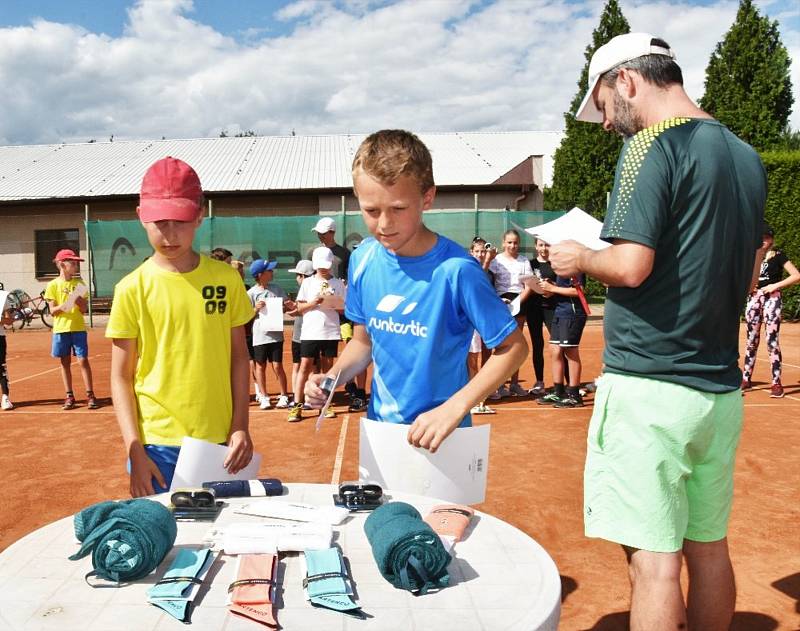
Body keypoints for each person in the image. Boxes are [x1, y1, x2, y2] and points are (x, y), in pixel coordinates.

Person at [549, 33, 766, 630]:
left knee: (654, 565)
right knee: (709, 549)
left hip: (649, 387)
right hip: (718, 393)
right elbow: (746, 273)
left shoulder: (649, 143)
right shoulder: (745, 155)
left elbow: (630, 264)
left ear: (627, 80)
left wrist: (577, 257)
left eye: (602, 105)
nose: (603, 125)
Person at [305, 129, 528, 453]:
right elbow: (363, 342)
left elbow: (514, 347)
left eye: (397, 208)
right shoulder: (364, 259)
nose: (383, 223)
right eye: (370, 210)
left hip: (443, 440)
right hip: (380, 436)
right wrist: (332, 378)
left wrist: (455, 408)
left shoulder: (458, 270)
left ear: (427, 197)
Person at [107, 156, 254, 496]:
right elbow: (121, 376)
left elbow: (239, 357)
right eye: (159, 221)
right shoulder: (132, 288)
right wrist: (134, 448)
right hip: (155, 445)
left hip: (219, 441)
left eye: (181, 220)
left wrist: (240, 427)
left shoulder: (226, 279)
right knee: (164, 538)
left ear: (200, 215)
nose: (169, 233)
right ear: (141, 215)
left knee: (219, 538)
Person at [287, 246, 346, 422]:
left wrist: (333, 303)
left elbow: (343, 309)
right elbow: (299, 308)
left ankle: (325, 404)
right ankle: (297, 405)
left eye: (326, 265)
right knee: (305, 366)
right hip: (310, 332)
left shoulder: (338, 284)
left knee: (328, 369)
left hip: (330, 332)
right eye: (321, 265)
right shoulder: (307, 283)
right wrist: (314, 302)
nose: (324, 268)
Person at [741, 224, 800, 398]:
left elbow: (796, 275)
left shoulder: (779, 256)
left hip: (772, 299)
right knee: (751, 340)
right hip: (754, 299)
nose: (763, 240)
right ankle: (746, 379)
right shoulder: (750, 256)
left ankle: (776, 382)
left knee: (771, 341)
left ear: (772, 239)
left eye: (766, 237)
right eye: (761, 237)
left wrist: (775, 285)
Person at [44, 249, 98, 410]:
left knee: (83, 361)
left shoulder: (80, 284)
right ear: (62, 264)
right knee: (65, 362)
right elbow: (52, 311)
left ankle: (90, 395)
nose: (75, 266)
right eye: (72, 263)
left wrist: (78, 299)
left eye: (76, 263)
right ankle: (69, 395)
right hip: (61, 330)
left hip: (78, 328)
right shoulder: (52, 285)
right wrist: (66, 303)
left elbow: (83, 310)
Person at [488, 229, 533, 399]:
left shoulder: (524, 261)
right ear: (503, 243)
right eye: (509, 242)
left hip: (520, 302)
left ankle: (514, 384)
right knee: (500, 345)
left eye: (515, 242)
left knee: (517, 345)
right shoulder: (496, 261)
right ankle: (498, 385)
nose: (512, 245)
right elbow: (489, 282)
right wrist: (500, 302)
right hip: (500, 302)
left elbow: (528, 286)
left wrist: (517, 303)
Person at [535, 271, 587, 408]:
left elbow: (579, 291)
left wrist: (552, 288)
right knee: (554, 350)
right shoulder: (560, 269)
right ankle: (558, 392)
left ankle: (574, 395)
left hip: (572, 313)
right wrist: (549, 288)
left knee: (570, 352)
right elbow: (560, 290)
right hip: (560, 311)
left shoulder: (574, 267)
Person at [247, 259, 294, 410]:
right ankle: (265, 396)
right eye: (269, 270)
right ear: (260, 274)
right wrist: (255, 309)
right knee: (259, 366)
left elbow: (286, 308)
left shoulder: (277, 289)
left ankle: (284, 395)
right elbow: (246, 316)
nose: (272, 272)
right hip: (260, 335)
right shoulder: (251, 293)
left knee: (277, 365)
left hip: (275, 334)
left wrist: (286, 306)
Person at [467, 237, 496, 415]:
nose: (480, 254)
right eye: (477, 251)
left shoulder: (489, 271)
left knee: (474, 359)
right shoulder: (469, 267)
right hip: (466, 322)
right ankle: (473, 399)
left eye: (482, 251)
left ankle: (475, 399)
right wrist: (486, 261)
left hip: (477, 321)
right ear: (471, 253)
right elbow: (477, 279)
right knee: (468, 360)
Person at [286, 259, 315, 407]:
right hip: (299, 335)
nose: (296, 278)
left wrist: (296, 310)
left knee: (308, 367)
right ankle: (298, 397)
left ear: (303, 276)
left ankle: (308, 398)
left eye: (298, 275)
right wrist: (295, 309)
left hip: (309, 335)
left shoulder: (312, 290)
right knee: (300, 366)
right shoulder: (307, 290)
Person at [0, 295, 12, 410]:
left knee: (1, 367)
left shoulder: (2, 297)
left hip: (0, 337)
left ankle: (5, 397)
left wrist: (1, 320)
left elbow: (9, 321)